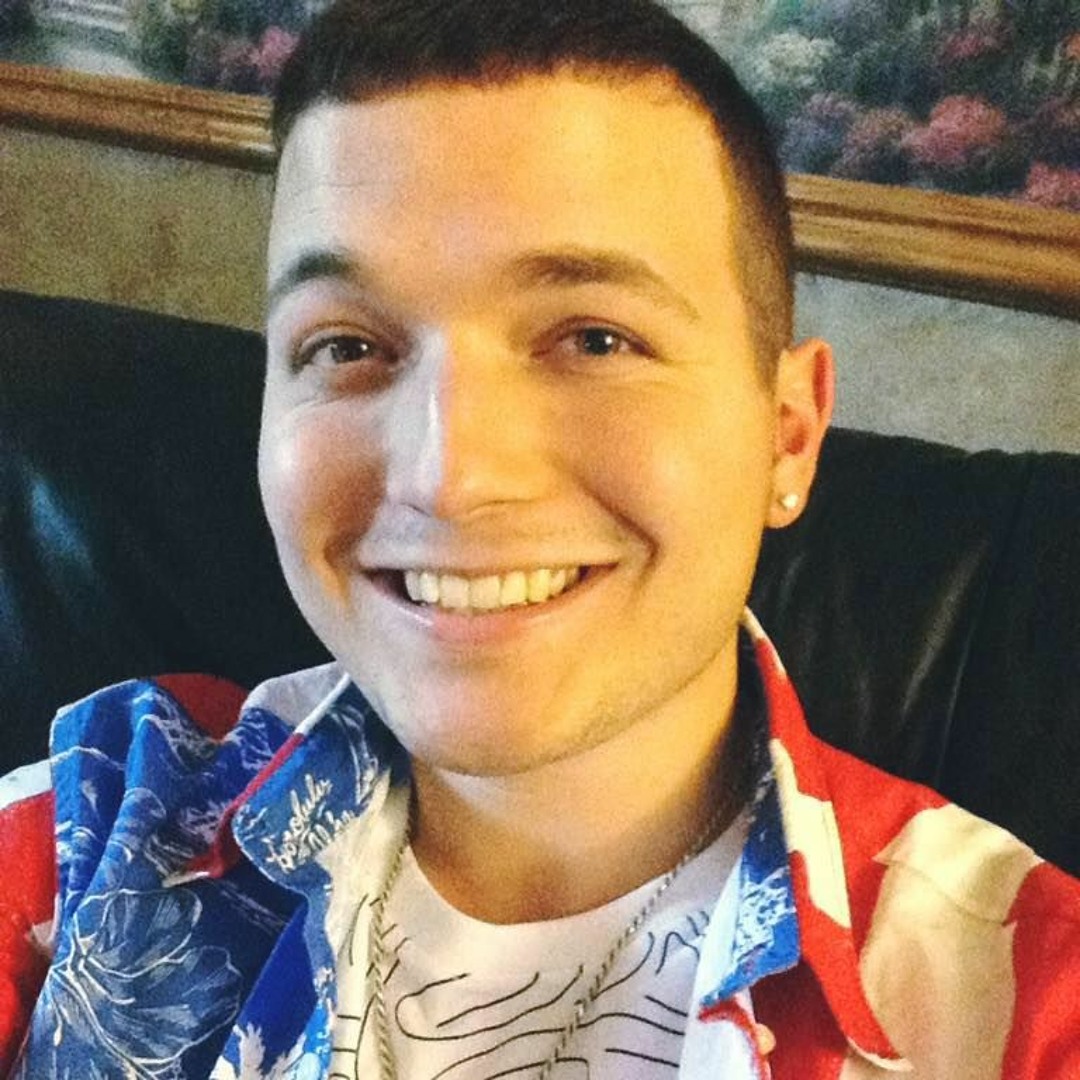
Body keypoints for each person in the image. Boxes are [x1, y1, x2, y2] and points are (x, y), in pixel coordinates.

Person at [2, 1, 1079, 1077]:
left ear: (787, 436)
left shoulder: (1016, 1001)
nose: (450, 478)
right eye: (346, 345)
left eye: (595, 339)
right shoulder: (97, 827)